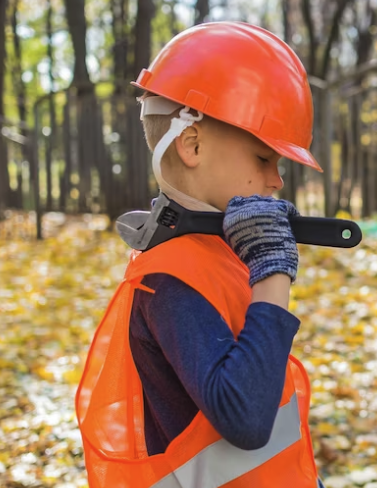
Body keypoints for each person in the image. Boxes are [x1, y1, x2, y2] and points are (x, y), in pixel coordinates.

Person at [75, 21, 325, 487]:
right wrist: (272, 272)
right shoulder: (169, 280)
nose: (278, 180)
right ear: (192, 145)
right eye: (263, 159)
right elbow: (246, 418)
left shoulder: (217, 254)